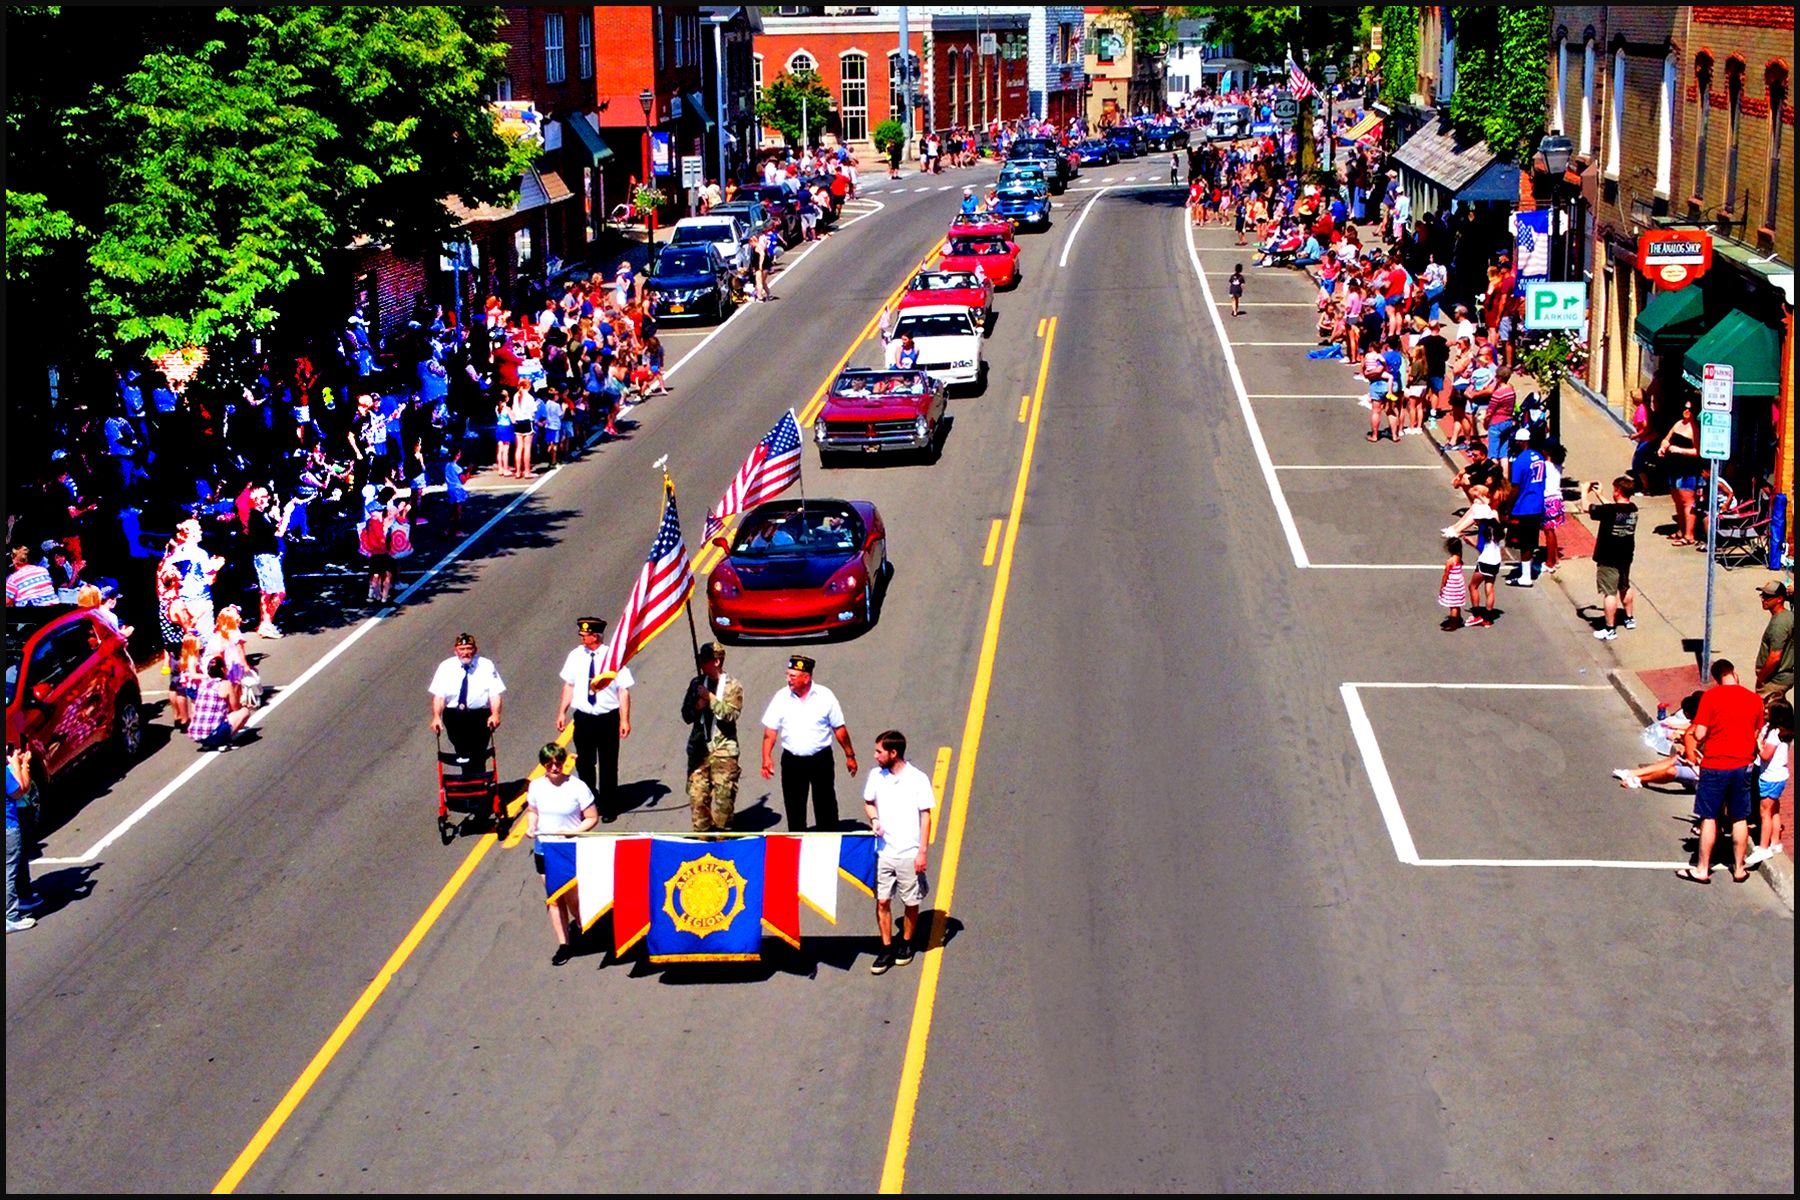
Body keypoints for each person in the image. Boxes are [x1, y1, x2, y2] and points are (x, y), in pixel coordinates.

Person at [1676, 659, 1765, 884]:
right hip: (1743, 765)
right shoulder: (1754, 700)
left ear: (1716, 678)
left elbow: (1700, 733)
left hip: (1715, 764)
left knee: (1709, 816)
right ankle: (1739, 868)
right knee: (1739, 817)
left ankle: (1702, 868)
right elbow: (1756, 732)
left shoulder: (1711, 698)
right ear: (1734, 673)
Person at [863, 729, 935, 975]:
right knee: (882, 900)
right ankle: (886, 947)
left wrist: (922, 851)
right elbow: (869, 802)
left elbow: (926, 816)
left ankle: (906, 943)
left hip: (908, 852)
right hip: (884, 853)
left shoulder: (917, 779)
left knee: (911, 901)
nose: (875, 756)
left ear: (894, 753)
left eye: (879, 751)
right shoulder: (876, 776)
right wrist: (874, 820)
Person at [760, 654, 858, 830]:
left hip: (820, 760)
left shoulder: (825, 696)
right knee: (794, 805)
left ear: (806, 677)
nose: (788, 680)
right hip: (792, 762)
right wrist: (766, 758)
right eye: (787, 675)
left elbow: (839, 730)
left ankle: (828, 840)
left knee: (825, 803)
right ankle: (798, 844)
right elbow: (770, 731)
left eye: (793, 676)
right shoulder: (781, 697)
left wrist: (849, 755)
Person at [524, 743, 599, 967]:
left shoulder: (577, 787)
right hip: (544, 848)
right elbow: (532, 811)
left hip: (569, 848)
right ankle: (564, 944)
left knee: (572, 895)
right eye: (549, 763)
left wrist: (573, 832)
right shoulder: (536, 787)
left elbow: (592, 817)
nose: (554, 767)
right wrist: (531, 826)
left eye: (558, 762)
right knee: (554, 897)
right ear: (543, 765)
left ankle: (583, 924)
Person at [555, 617, 632, 822]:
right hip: (583, 718)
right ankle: (589, 803)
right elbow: (569, 685)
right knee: (585, 763)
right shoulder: (575, 656)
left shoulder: (612, 657)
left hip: (607, 718)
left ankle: (608, 806)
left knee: (608, 763)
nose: (581, 637)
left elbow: (623, 690)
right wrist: (562, 712)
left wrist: (624, 720)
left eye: (585, 635)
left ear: (595, 636)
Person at [681, 641, 743, 832]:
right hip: (699, 750)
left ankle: (723, 838)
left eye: (705, 661)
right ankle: (702, 837)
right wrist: (697, 706)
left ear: (716, 662)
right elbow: (686, 715)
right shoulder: (697, 683)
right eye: (700, 660)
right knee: (697, 797)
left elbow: (731, 714)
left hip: (723, 750)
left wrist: (710, 699)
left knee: (724, 801)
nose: (702, 665)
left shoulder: (732, 686)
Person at [427, 632, 505, 772]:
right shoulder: (446, 667)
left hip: (480, 715)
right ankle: (470, 781)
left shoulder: (486, 665)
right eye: (462, 649)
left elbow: (494, 694)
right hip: (455, 716)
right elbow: (439, 696)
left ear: (475, 650)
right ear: (455, 650)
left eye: (469, 648)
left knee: (479, 751)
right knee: (463, 751)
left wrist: (495, 714)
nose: (465, 652)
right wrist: (436, 717)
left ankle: (477, 783)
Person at [1585, 476, 1639, 640]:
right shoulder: (1632, 508)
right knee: (1624, 585)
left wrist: (1583, 491)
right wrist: (1600, 495)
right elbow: (1613, 509)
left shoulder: (1610, 512)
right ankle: (1629, 618)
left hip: (1608, 557)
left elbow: (1587, 508)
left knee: (1609, 593)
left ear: (1617, 491)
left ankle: (1609, 628)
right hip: (1625, 555)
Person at [1746, 699, 1792, 867]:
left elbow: (1765, 756)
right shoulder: (1785, 732)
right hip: (1780, 776)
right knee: (1774, 810)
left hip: (1770, 777)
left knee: (1764, 813)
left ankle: (1763, 847)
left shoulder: (1774, 734)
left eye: (1768, 710)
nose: (1765, 711)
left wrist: (1758, 743)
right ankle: (1775, 842)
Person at [1501, 427, 1546, 587]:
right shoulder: (1539, 457)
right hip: (1538, 503)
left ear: (1520, 442)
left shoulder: (1521, 461)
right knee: (1532, 540)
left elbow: (1515, 487)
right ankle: (1528, 567)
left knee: (1524, 542)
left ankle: (1525, 576)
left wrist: (1507, 507)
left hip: (1525, 506)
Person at [6, 745, 43, 932]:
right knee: (10, 870)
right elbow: (21, 789)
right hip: (8, 826)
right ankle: (11, 915)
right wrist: (21, 764)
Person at [1656, 402, 1702, 546]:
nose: (1686, 411)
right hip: (1674, 468)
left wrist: (1679, 450)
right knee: (1677, 500)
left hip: (1687, 470)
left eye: (1689, 409)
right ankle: (1681, 530)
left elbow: (1698, 451)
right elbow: (1666, 439)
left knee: (1687, 502)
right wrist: (1662, 448)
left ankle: (1689, 535)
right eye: (1685, 407)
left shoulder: (1694, 429)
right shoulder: (1678, 424)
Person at [187, 657, 252, 750]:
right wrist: (243, 702)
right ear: (222, 669)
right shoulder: (225, 684)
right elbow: (235, 708)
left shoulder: (203, 683)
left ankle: (208, 743)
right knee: (245, 712)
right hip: (214, 733)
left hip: (197, 734)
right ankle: (223, 740)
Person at [1752, 581, 1794, 702]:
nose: (1763, 599)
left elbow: (1775, 656)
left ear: (1779, 599)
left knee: (1764, 713)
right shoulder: (1788, 616)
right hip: (1783, 677)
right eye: (1762, 595)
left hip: (1774, 681)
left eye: (1768, 596)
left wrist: (1761, 678)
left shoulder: (1779, 624)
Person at [1437, 536, 1468, 631]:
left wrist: (1442, 586)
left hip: (1452, 584)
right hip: (1458, 583)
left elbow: (1446, 575)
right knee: (1456, 603)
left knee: (1453, 605)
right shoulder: (1459, 558)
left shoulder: (1450, 561)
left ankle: (1454, 623)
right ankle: (1457, 618)